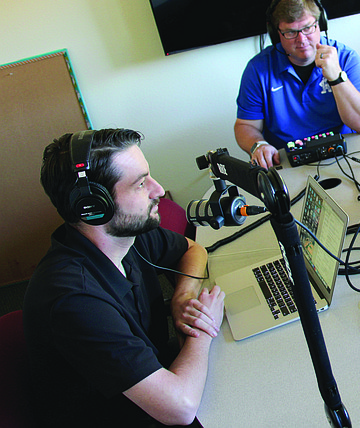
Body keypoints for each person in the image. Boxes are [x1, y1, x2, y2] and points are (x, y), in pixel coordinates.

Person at [23, 129, 225, 427]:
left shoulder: (127, 236)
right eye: (141, 183)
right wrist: (203, 329)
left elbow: (193, 250)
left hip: (151, 380)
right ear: (93, 205)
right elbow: (179, 408)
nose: (158, 189)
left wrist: (182, 296)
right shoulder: (74, 300)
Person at [234, 0, 360, 168]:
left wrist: (336, 77)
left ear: (320, 24)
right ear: (276, 33)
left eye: (308, 28)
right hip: (287, 161)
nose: (301, 39)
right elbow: (245, 125)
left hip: (342, 155)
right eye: (290, 32)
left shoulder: (346, 57)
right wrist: (258, 145)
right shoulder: (258, 69)